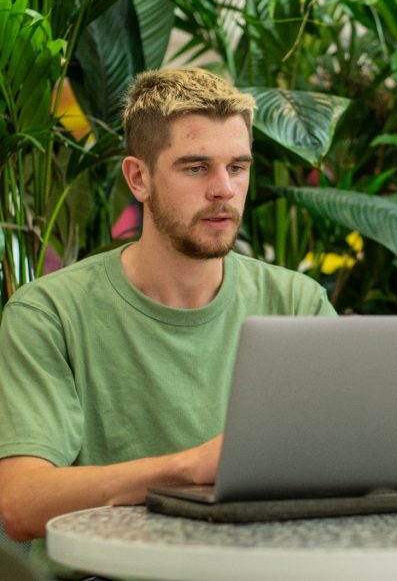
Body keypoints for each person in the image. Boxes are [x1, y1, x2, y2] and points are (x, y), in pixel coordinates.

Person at [0, 68, 336, 569]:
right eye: (196, 168)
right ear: (139, 177)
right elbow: (20, 503)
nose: (223, 189)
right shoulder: (48, 314)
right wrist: (189, 469)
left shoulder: (298, 302)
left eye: (237, 167)